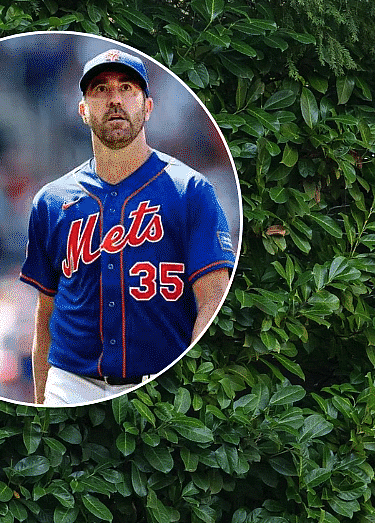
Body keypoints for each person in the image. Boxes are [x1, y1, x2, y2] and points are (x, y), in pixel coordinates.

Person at [19, 49, 233, 405]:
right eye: (100, 90)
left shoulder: (190, 190)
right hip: (72, 383)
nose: (115, 99)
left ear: (147, 106)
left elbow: (213, 302)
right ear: (83, 109)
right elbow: (46, 317)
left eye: (127, 88)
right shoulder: (51, 201)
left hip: (160, 380)